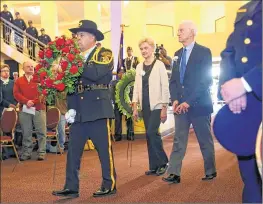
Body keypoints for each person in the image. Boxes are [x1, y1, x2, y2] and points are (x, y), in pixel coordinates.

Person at [52, 20, 116, 198]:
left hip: (97, 108)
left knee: (104, 150)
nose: (77, 39)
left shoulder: (104, 53)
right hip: (78, 109)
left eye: (81, 35)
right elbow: (69, 83)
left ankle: (109, 183)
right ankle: (71, 186)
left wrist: (71, 62)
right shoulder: (75, 57)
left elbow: (95, 74)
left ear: (92, 37)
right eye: (76, 35)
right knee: (73, 151)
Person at [214, 1, 262, 203]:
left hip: (254, 91)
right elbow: (230, 52)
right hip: (248, 108)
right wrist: (231, 87)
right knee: (250, 179)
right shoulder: (247, 8)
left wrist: (246, 83)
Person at [163, 21, 216, 184]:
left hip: (199, 104)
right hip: (181, 106)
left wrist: (189, 102)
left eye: (181, 30)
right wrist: (177, 99)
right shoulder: (177, 54)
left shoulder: (204, 52)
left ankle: (210, 171)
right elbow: (174, 81)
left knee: (204, 140)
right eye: (178, 30)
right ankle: (174, 173)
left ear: (192, 32)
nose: (178, 33)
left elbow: (205, 81)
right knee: (179, 140)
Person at [132, 37, 169, 176]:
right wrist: (135, 107)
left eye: (146, 48)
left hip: (158, 105)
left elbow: (165, 87)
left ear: (152, 49)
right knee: (149, 135)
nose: (143, 51)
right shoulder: (139, 67)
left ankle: (163, 162)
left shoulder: (159, 65)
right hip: (145, 106)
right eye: (141, 49)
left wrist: (164, 107)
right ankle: (154, 165)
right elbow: (136, 87)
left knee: (151, 132)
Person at [13, 61, 47, 161]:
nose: (31, 68)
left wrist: (34, 102)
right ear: (23, 68)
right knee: (26, 132)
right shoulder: (19, 81)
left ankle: (42, 152)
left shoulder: (40, 79)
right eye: (28, 66)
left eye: (32, 66)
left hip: (38, 108)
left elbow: (43, 93)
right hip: (25, 109)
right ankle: (27, 153)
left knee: (41, 131)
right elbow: (16, 93)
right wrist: (26, 101)